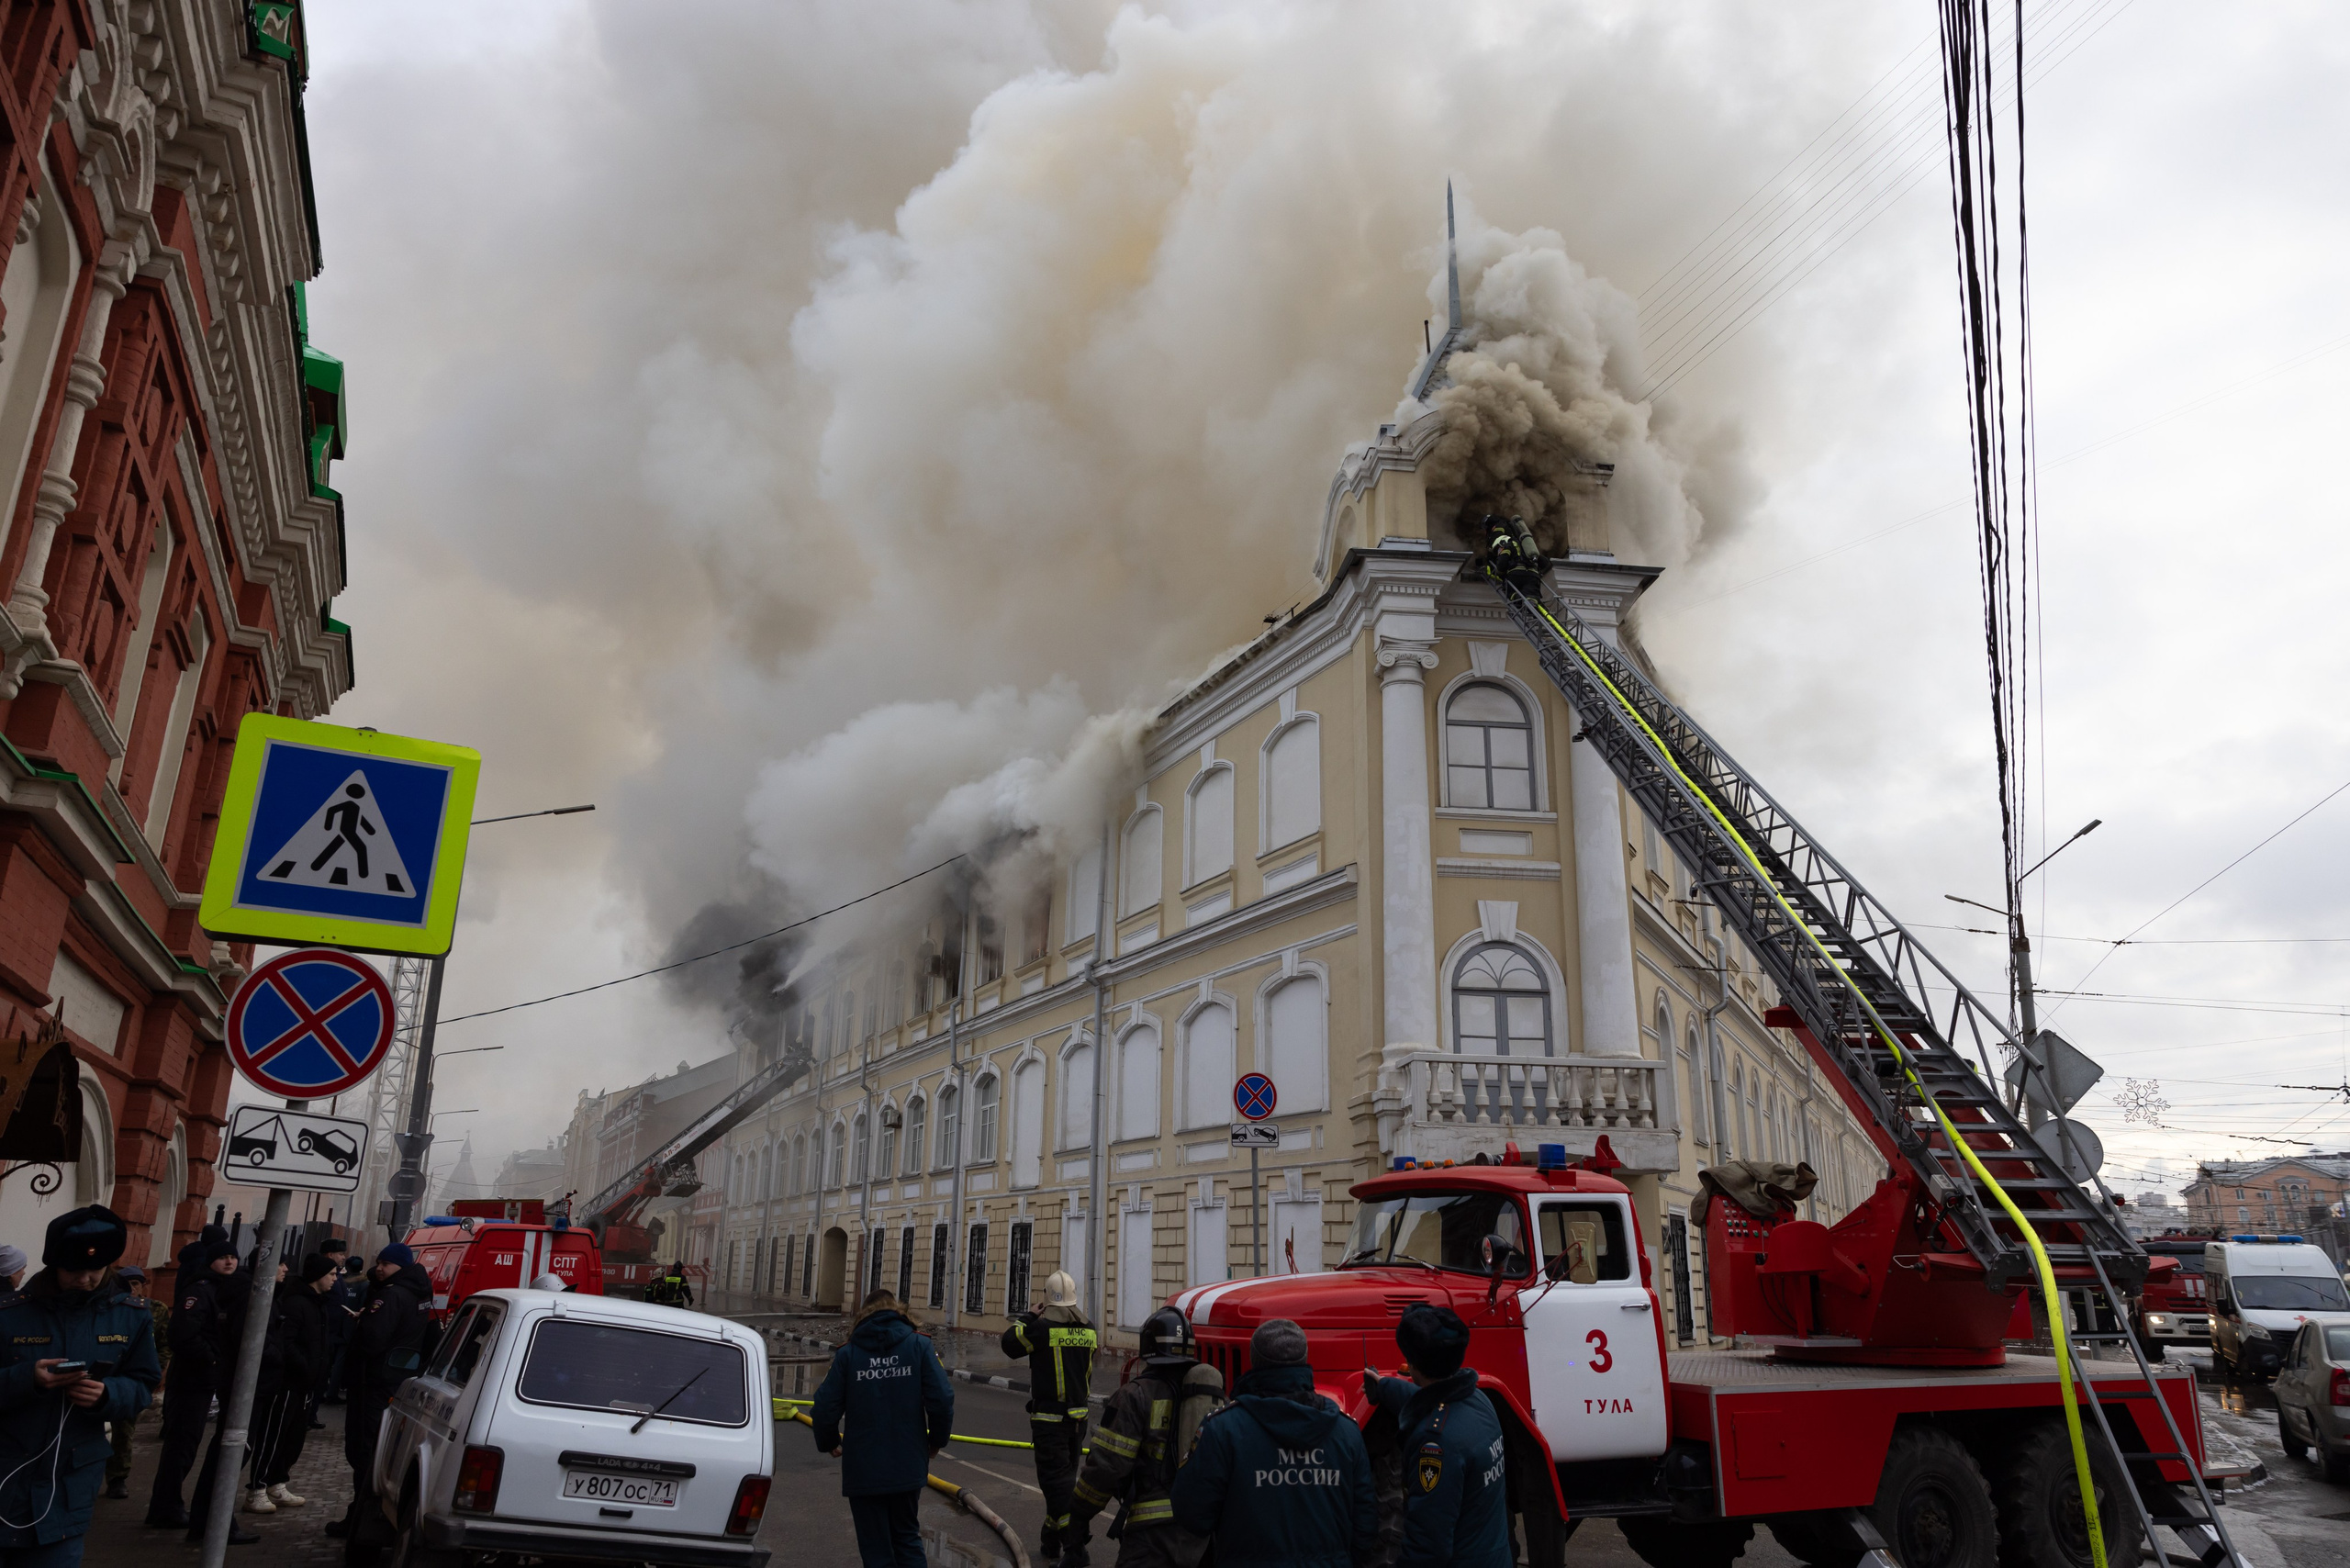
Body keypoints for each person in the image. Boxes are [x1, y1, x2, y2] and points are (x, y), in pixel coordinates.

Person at [0, 1204, 162, 1566]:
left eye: (96, 1270)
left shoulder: (131, 1315)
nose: (85, 1279)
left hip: (68, 1486)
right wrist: (27, 1378)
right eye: (74, 1270)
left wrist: (109, 1394)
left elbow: (143, 1383)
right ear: (54, 1265)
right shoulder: (10, 1313)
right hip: (7, 1469)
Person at [1170, 1319, 1376, 1568]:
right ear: (1304, 1360)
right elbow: (1366, 1525)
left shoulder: (1223, 1430)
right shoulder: (1346, 1432)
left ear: (1255, 1361)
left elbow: (1192, 1514)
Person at [1069, 1305, 1223, 1568]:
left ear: (1148, 1347)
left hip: (1152, 1537)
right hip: (1203, 1534)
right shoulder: (1208, 1393)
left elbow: (1107, 1467)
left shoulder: (1134, 1396)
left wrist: (1080, 1516)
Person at [811, 1289, 952, 1568]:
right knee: (907, 1539)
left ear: (863, 1314)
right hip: (907, 1464)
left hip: (864, 1469)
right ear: (897, 1310)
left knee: (876, 1549)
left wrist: (829, 1441)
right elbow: (942, 1399)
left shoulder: (848, 1354)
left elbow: (824, 1407)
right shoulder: (919, 1346)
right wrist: (936, 1441)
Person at [1361, 1305, 1510, 1568]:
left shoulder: (1436, 1446)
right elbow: (1431, 1402)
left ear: (1413, 1365)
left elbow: (1428, 1547)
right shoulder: (1478, 1400)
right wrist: (1384, 1386)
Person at [327, 1243, 433, 1559]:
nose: (379, 1269)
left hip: (373, 1381)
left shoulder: (391, 1295)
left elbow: (372, 1340)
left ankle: (361, 1527)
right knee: (376, 1451)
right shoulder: (418, 1291)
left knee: (364, 1452)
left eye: (385, 1264)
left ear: (399, 1265)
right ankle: (362, 1519)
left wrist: (363, 1323)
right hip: (396, 1378)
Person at [145, 1232, 247, 1537]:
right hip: (192, 1378)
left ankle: (167, 1506)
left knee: (188, 1443)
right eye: (223, 1257)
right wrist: (213, 1359)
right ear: (210, 1261)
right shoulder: (200, 1290)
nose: (229, 1262)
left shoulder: (225, 1288)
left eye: (233, 1257)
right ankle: (166, 1507)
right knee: (182, 1445)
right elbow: (183, 1334)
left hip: (206, 1377)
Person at [1001, 1270, 1097, 1565]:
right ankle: (1050, 1539)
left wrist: (1029, 1315)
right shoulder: (1090, 1329)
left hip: (1050, 1422)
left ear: (1048, 1300)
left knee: (1055, 1482)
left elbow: (1010, 1344)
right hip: (1079, 1421)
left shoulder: (1042, 1329)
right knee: (1063, 1483)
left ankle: (1075, 1545)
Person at [247, 1254, 333, 1514]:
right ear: (318, 1276)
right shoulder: (296, 1303)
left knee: (293, 1438)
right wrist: (305, 1366)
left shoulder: (318, 1303)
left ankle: (277, 1482)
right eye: (331, 1274)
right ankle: (257, 1488)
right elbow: (287, 1342)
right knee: (273, 1436)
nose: (335, 1279)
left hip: (306, 1384)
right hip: (288, 1382)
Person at [102, 1265, 158, 1501]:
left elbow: (161, 1344)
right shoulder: (109, 1309)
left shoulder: (153, 1309)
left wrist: (155, 1370)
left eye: (137, 1284)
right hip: (104, 1377)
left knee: (124, 1432)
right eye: (129, 1284)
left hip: (129, 1380)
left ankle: (117, 1478)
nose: (133, 1289)